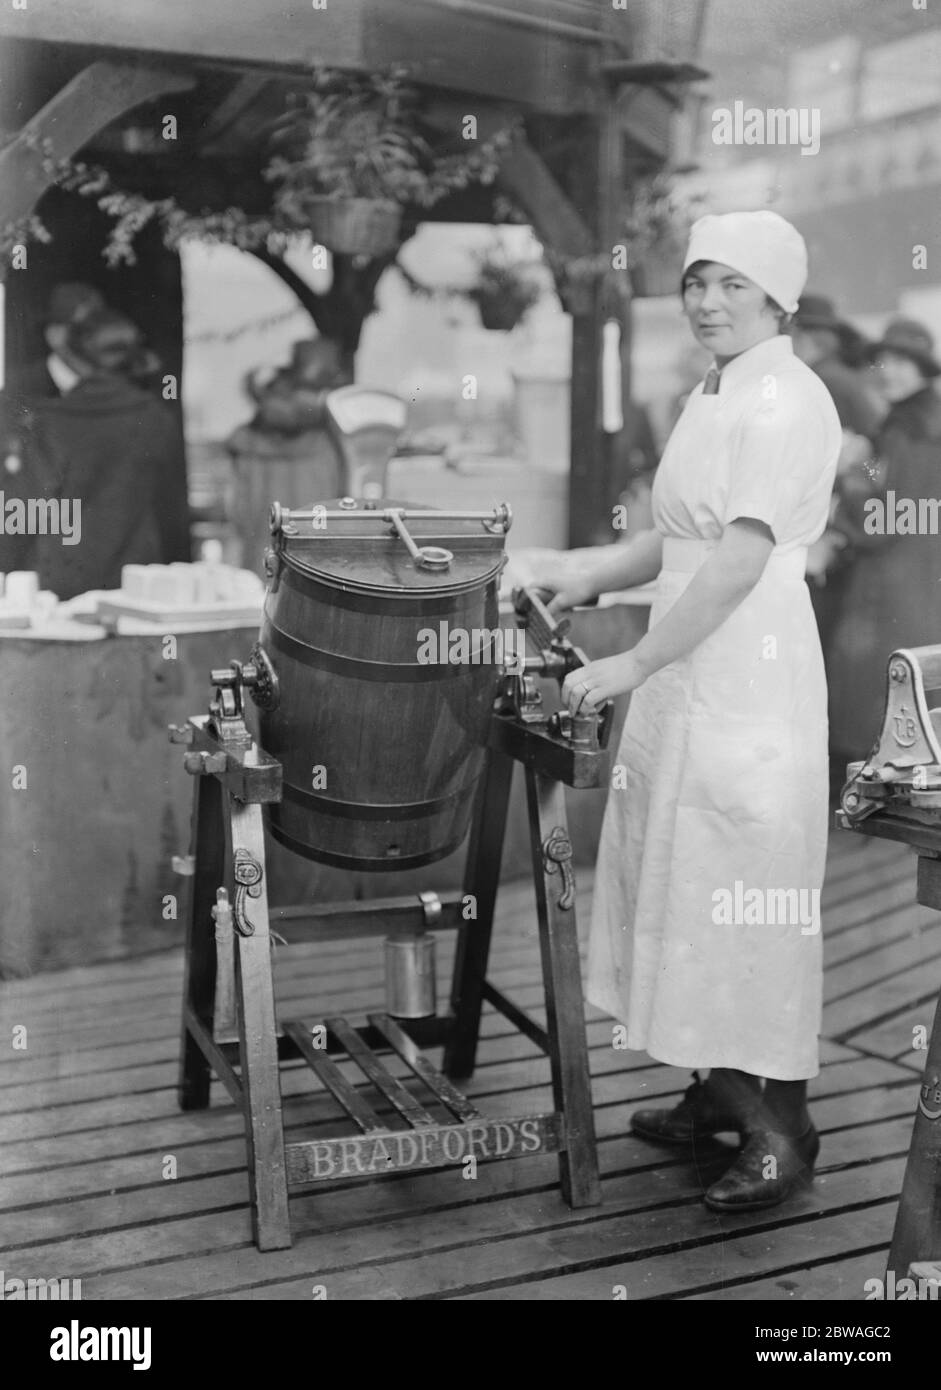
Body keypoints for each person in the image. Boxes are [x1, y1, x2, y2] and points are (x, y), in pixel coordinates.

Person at [530, 211, 842, 1211]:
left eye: (731, 286)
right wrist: (573, 572)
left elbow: (739, 561)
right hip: (683, 671)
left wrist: (630, 660)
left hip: (745, 667)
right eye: (696, 281)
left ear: (775, 298)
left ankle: (781, 1129)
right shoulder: (713, 392)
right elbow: (672, 544)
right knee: (680, 880)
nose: (706, 301)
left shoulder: (786, 400)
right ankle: (713, 1092)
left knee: (742, 886)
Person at [0, 307, 182, 597]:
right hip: (135, 580)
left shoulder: (46, 420)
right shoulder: (156, 418)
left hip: (61, 578)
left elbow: (25, 508)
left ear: (73, 356)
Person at [827, 317, 941, 764]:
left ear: (923, 370)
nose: (889, 371)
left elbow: (890, 514)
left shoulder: (914, 430)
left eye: (902, 362)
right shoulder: (914, 421)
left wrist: (851, 472)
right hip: (918, 570)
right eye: (885, 361)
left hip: (896, 579)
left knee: (885, 686)